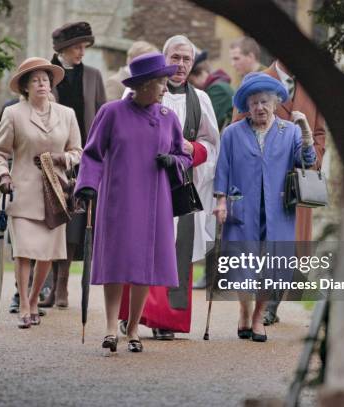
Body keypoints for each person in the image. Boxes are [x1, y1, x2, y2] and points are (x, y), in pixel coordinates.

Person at [74, 52, 192, 353]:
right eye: (161, 83)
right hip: (119, 199)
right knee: (116, 262)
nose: (165, 89)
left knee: (146, 265)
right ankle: (112, 328)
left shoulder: (168, 119)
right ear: (144, 85)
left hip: (156, 201)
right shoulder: (111, 112)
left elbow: (184, 155)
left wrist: (173, 161)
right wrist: (87, 185)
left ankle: (134, 329)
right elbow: (92, 153)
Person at [118, 35, 219, 340]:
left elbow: (212, 144)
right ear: (164, 59)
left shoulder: (200, 99)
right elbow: (123, 132)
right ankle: (133, 316)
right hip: (145, 182)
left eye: (187, 59)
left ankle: (168, 320)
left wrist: (192, 150)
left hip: (180, 183)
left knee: (177, 251)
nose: (181, 65)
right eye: (175, 58)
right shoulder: (135, 92)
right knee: (141, 248)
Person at [213, 73, 316, 342]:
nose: (259, 107)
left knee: (271, 267)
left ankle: (258, 317)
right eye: (254, 103)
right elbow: (222, 168)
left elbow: (306, 160)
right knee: (243, 265)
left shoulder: (289, 131)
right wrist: (220, 201)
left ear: (275, 103)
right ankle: (244, 311)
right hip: (242, 207)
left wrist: (305, 131)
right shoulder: (233, 133)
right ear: (247, 106)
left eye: (264, 102)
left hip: (278, 209)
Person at [0, 57, 82, 328]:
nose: (41, 84)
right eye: (35, 80)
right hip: (23, 191)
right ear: (25, 87)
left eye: (45, 80)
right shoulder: (13, 114)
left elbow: (78, 152)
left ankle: (32, 299)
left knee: (46, 254)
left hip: (55, 194)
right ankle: (25, 308)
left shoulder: (67, 114)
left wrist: (59, 158)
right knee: (24, 251)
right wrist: (2, 175)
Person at [232, 60, 327, 325]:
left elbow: (319, 131)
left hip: (298, 181)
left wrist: (313, 158)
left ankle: (271, 305)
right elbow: (238, 124)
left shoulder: (311, 86)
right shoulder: (257, 79)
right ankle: (254, 307)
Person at [43, 21, 107, 309]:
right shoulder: (45, 75)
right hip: (50, 160)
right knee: (50, 223)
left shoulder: (93, 76)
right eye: (77, 47)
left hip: (83, 159)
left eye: (85, 47)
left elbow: (103, 117)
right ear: (62, 49)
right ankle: (44, 286)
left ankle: (62, 286)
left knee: (74, 224)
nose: (82, 52)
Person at [188, 50, 235, 131]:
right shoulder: (217, 86)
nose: (193, 86)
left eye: (192, 82)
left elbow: (209, 124)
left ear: (201, 72)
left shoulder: (218, 90)